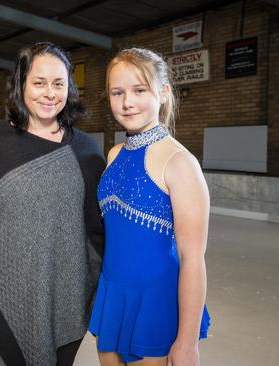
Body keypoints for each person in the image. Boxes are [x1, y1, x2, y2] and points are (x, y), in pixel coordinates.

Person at [0, 42, 105, 366]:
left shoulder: (86, 152)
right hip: (1, 283)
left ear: (69, 88)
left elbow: (96, 230)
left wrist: (96, 284)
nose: (49, 93)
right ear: (21, 84)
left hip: (62, 289)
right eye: (39, 82)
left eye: (58, 84)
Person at [88, 48, 211, 366]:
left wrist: (187, 342)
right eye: (118, 92)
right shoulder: (114, 154)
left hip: (154, 303)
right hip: (114, 294)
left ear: (164, 93)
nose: (128, 102)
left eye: (139, 90)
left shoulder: (179, 162)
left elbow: (192, 259)